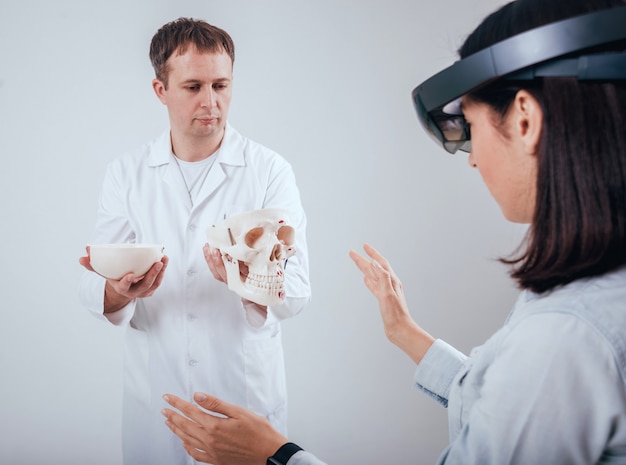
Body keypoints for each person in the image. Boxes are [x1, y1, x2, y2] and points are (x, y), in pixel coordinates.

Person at [160, 0, 626, 463]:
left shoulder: (565, 334)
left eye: (474, 127)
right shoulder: (589, 301)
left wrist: (275, 454)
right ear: (161, 90)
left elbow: (528, 394)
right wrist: (404, 331)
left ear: (525, 121)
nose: (475, 158)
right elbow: (506, 403)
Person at [78, 18, 311, 465]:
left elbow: (296, 289)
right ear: (160, 90)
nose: (211, 102)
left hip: (243, 396)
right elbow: (93, 285)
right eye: (193, 87)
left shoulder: (268, 171)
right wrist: (117, 289)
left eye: (221, 85)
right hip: (158, 402)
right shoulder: (127, 174)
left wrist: (246, 280)